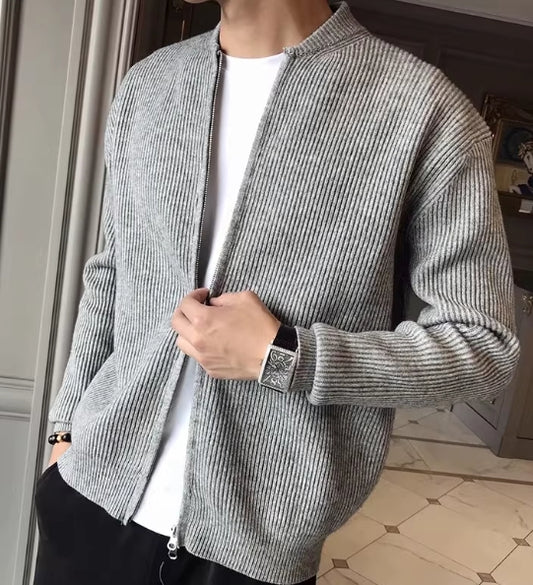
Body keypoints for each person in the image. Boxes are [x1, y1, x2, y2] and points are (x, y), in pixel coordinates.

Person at [33, 0, 521, 584]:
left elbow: (483, 347)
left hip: (252, 554)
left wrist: (286, 354)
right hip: (89, 500)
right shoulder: (149, 85)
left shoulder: (423, 109)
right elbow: (111, 274)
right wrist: (64, 430)